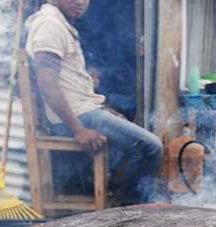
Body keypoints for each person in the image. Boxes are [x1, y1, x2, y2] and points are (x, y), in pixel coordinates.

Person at [26, 0, 162, 205]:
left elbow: (70, 85)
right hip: (77, 117)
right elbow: (47, 84)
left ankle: (119, 202)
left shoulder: (60, 23)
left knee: (128, 138)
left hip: (85, 111)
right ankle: (127, 212)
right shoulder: (49, 24)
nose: (81, 2)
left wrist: (103, 110)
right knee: (151, 148)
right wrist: (78, 129)